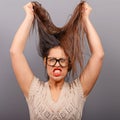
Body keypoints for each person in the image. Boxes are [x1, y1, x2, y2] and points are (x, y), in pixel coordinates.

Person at [10, 1, 104, 120]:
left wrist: (85, 18)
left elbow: (98, 55)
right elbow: (15, 52)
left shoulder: (78, 91)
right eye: (52, 60)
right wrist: (29, 16)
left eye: (62, 60)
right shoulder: (33, 90)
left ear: (69, 63)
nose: (57, 65)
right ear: (45, 61)